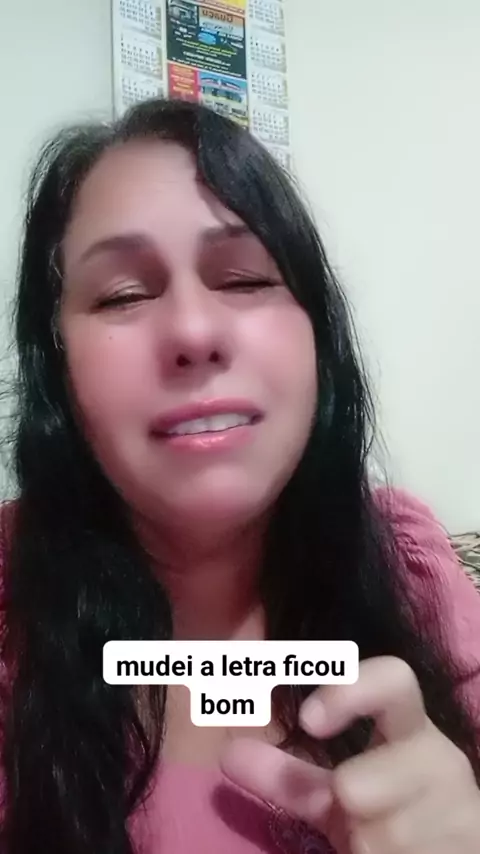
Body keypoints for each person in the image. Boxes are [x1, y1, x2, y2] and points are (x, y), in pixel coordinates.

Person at [0, 98, 479, 854]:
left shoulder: (411, 568)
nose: (194, 332)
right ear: (56, 368)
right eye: (123, 294)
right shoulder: (10, 596)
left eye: (246, 279)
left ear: (318, 336)